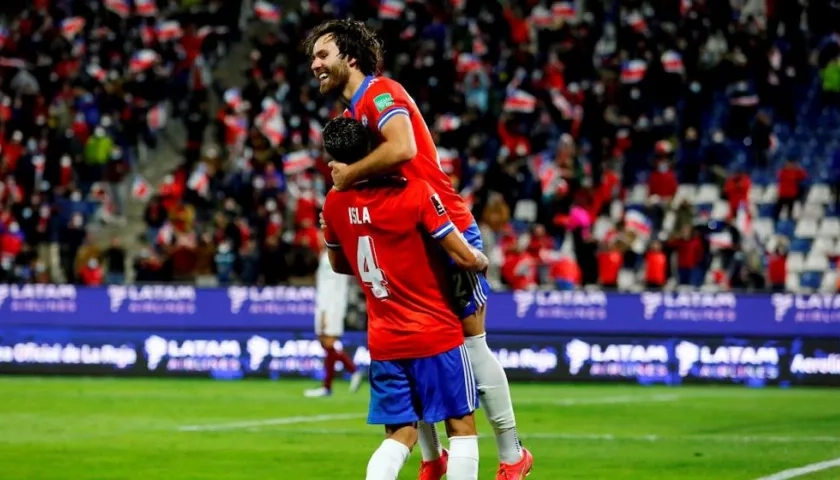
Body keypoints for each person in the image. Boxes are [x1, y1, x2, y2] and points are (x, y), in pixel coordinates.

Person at [303, 20, 533, 480]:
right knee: (420, 345)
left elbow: (404, 147)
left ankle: (511, 455)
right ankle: (433, 460)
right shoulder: (352, 117)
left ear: (350, 57)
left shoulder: (380, 92)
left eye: (323, 54)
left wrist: (349, 179)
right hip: (407, 228)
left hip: (444, 223)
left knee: (468, 346)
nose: (315, 64)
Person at [321, 117, 484, 480]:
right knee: (461, 427)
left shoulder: (333, 203)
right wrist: (482, 259)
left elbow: (339, 264)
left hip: (385, 340)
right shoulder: (416, 193)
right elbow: (463, 256)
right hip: (435, 333)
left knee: (400, 434)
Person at [303, 248, 364, 397]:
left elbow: (333, 286)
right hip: (326, 303)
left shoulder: (336, 253)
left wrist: (325, 311)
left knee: (328, 342)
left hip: (332, 304)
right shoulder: (326, 255)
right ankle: (344, 375)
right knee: (325, 343)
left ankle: (336, 381)